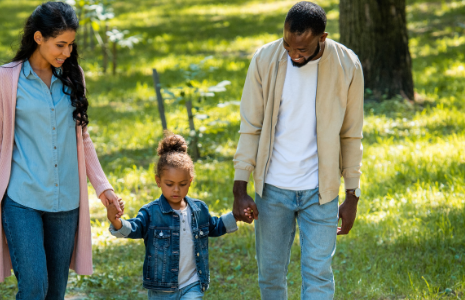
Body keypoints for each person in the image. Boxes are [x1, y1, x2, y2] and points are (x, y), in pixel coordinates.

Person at [0, 2, 122, 299]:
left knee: (54, 293)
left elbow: (83, 138)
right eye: (60, 44)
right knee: (34, 288)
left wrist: (103, 188)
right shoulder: (3, 79)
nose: (66, 52)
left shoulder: (73, 76)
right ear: (38, 38)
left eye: (70, 44)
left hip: (66, 202)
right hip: (22, 199)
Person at [230, 1, 365, 299]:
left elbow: (351, 135)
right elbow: (250, 126)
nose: (293, 54)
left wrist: (352, 194)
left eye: (301, 50)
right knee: (271, 276)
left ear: (322, 38)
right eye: (288, 45)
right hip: (273, 191)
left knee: (318, 276)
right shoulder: (265, 59)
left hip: (321, 192)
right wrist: (240, 188)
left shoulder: (347, 65)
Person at [107, 133, 241, 299]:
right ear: (158, 181)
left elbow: (215, 226)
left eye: (182, 184)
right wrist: (116, 221)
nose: (176, 190)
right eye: (169, 184)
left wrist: (237, 216)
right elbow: (135, 228)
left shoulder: (199, 209)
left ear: (190, 181)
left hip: (192, 284)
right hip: (161, 290)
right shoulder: (151, 212)